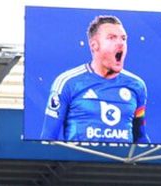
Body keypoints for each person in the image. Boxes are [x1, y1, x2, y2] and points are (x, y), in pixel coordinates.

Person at [41, 15, 149, 143]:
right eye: (112, 38)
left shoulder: (137, 85)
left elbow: (140, 137)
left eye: (123, 38)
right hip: (80, 162)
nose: (121, 43)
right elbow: (47, 139)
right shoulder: (68, 82)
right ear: (94, 45)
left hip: (122, 162)